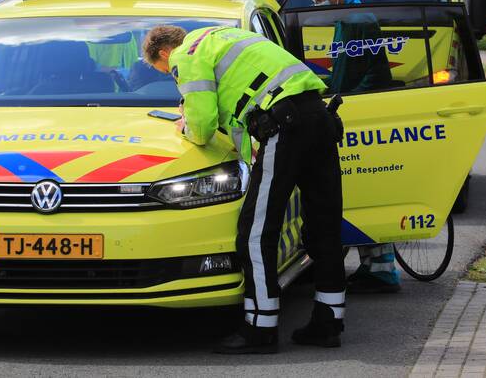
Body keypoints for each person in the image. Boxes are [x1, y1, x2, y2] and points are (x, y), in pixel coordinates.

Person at [143, 24, 346, 354]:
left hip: (285, 124)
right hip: (317, 117)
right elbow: (241, 112)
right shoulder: (223, 36)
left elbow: (203, 125)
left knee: (255, 232)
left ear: (164, 53)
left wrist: (185, 126)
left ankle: (260, 327)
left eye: (165, 72)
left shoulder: (186, 55)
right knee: (324, 224)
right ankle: (329, 322)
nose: (172, 75)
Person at [309, 0, 401, 294]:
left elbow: (376, 73)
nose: (316, 6)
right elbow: (345, 69)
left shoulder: (359, 21)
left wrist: (348, 99)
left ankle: (382, 269)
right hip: (350, 108)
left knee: (362, 188)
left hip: (358, 112)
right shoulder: (346, 19)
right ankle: (375, 266)